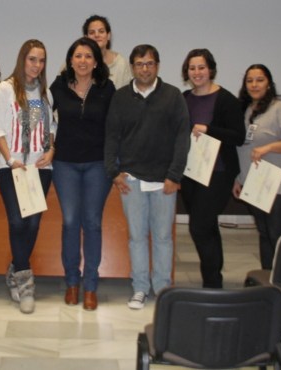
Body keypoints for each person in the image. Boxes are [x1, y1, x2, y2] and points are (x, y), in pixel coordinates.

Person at [104, 44, 190, 310]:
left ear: (158, 66)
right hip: (132, 180)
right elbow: (111, 137)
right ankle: (140, 288)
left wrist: (174, 175)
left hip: (164, 180)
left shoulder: (173, 96)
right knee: (137, 237)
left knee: (163, 238)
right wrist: (114, 172)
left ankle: (163, 288)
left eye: (150, 63)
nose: (145, 68)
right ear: (132, 67)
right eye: (140, 64)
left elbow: (182, 137)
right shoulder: (120, 97)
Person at [0, 39, 55, 314]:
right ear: (22, 60)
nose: (36, 65)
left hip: (39, 168)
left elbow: (51, 127)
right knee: (17, 221)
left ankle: (16, 269)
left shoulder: (45, 93)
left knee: (33, 224)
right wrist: (10, 159)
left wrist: (51, 150)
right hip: (12, 166)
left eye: (41, 60)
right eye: (32, 59)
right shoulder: (5, 89)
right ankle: (25, 281)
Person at [50, 37, 115, 310]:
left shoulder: (107, 88)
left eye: (88, 56)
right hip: (64, 163)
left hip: (97, 164)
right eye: (78, 56)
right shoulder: (57, 87)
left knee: (92, 223)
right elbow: (43, 120)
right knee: (69, 222)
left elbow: (115, 129)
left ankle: (90, 286)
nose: (83, 61)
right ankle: (72, 283)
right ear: (70, 60)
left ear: (96, 61)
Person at [178, 49, 245, 289]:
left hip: (217, 174)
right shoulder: (184, 98)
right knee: (207, 227)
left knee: (199, 226)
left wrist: (209, 129)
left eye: (201, 67)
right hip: (190, 173)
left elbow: (238, 136)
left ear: (211, 70)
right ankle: (214, 277)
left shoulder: (226, 99)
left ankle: (212, 283)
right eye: (192, 68)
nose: (197, 72)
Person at [233, 64, 281, 269]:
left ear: (269, 84)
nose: (254, 85)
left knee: (276, 234)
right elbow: (244, 148)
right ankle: (268, 280)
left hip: (278, 183)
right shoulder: (246, 110)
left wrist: (269, 147)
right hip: (254, 183)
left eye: (260, 80)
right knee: (264, 233)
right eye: (250, 80)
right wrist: (239, 178)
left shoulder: (280, 109)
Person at [84, 15, 132, 87]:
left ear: (108, 35)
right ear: (86, 37)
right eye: (92, 32)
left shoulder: (121, 64)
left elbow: (126, 95)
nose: (97, 35)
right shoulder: (76, 62)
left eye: (101, 31)